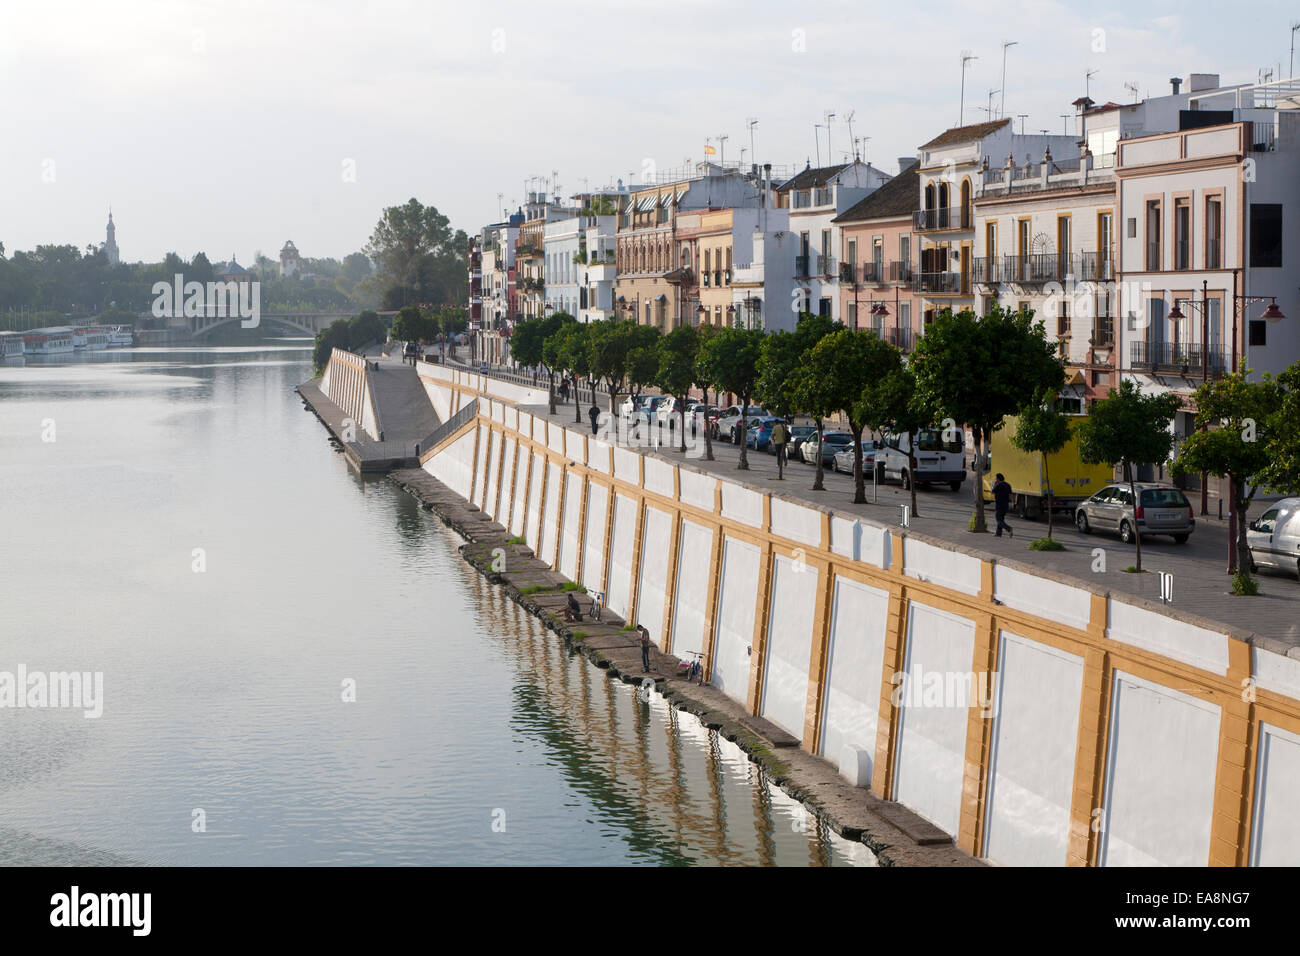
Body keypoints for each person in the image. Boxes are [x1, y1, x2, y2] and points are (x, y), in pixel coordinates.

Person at [992, 472, 1014, 538]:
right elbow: (1010, 495)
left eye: (996, 478)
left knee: (998, 520)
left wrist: (995, 484)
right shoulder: (1008, 485)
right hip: (1005, 505)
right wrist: (1013, 502)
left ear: (998, 479)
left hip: (999, 505)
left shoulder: (999, 485)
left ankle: (1009, 528)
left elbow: (992, 491)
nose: (995, 480)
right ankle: (998, 534)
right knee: (1001, 519)